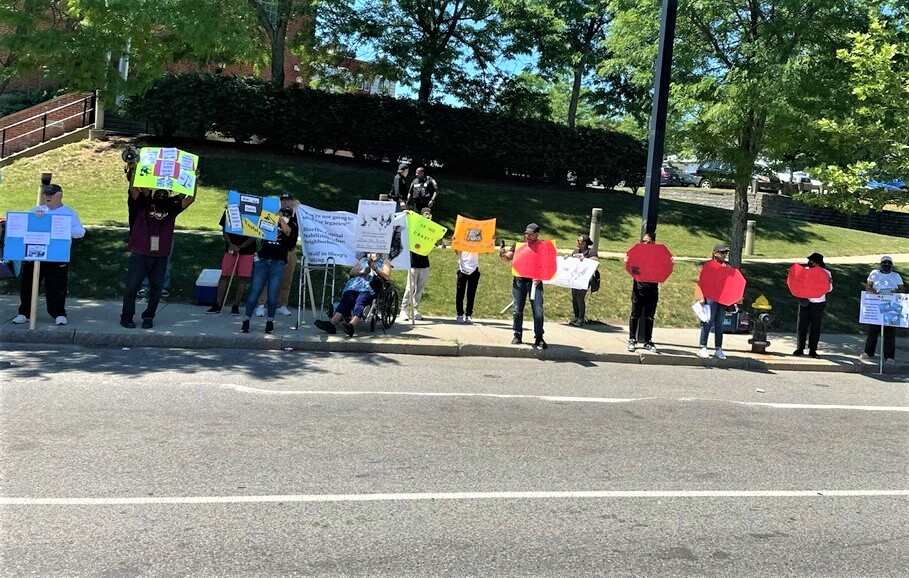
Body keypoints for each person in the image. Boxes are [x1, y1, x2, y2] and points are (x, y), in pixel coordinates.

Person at [120, 186, 194, 329]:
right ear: (153, 193)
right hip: (141, 252)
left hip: (161, 254)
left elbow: (190, 198)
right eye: (158, 192)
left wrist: (192, 181)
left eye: (164, 192)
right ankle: (126, 317)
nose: (161, 194)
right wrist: (136, 170)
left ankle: (149, 316)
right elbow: (134, 189)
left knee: (156, 288)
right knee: (132, 287)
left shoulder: (172, 207)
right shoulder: (143, 203)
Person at [12, 183, 85, 326]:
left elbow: (80, 232)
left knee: (57, 286)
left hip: (57, 255)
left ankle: (58, 313)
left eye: (51, 194)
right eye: (46, 194)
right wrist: (36, 219)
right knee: (28, 285)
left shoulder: (68, 212)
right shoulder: (36, 210)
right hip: (35, 255)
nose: (48, 197)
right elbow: (24, 228)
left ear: (60, 195)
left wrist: (63, 229)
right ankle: (24, 313)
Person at [240, 206, 298, 334]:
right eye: (282, 213)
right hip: (263, 260)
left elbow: (288, 232)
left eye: (287, 214)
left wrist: (280, 219)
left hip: (278, 262)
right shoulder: (270, 221)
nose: (284, 216)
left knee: (272, 294)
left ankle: (270, 321)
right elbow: (253, 222)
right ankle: (246, 320)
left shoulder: (293, 225)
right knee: (255, 291)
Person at [314, 253, 392, 337]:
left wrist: (375, 268)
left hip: (371, 287)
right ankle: (332, 323)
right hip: (355, 285)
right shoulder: (363, 260)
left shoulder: (385, 262)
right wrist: (361, 272)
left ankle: (352, 325)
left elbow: (387, 276)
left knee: (361, 300)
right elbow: (351, 272)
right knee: (347, 298)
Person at [500, 223, 546, 349]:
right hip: (520, 281)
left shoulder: (543, 247)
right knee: (517, 309)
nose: (528, 236)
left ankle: (539, 337)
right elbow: (508, 257)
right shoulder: (519, 246)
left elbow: (548, 264)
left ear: (537, 234)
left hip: (535, 282)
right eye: (526, 234)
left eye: (531, 234)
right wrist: (503, 254)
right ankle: (517, 334)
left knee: (538, 311)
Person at [255, 193, 299, 317]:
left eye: (288, 200)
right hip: (275, 250)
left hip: (290, 250)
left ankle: (282, 305)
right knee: (268, 279)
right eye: (283, 200)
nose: (285, 202)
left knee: (286, 280)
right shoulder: (275, 212)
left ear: (292, 201)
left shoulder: (296, 214)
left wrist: (296, 206)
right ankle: (261, 304)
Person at [207, 210, 256, 315]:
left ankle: (236, 305)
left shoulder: (253, 212)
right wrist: (231, 244)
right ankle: (218, 304)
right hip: (230, 249)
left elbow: (255, 234)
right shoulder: (229, 211)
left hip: (247, 251)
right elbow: (224, 231)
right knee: (224, 275)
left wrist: (241, 247)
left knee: (243, 278)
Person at [861, 255, 905, 364]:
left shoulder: (896, 276)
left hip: (891, 304)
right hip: (876, 303)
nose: (886, 266)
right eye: (884, 263)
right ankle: (868, 352)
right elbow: (868, 286)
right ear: (881, 264)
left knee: (889, 332)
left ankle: (889, 357)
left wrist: (895, 292)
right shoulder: (874, 273)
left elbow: (902, 288)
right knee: (873, 330)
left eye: (889, 264)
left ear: (891, 265)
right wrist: (873, 292)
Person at [696, 243, 733, 360]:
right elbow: (701, 282)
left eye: (725, 253)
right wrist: (701, 297)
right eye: (722, 253)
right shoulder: (708, 266)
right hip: (710, 296)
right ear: (715, 253)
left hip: (722, 298)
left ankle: (718, 348)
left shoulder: (727, 267)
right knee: (707, 321)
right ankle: (703, 346)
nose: (724, 255)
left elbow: (730, 283)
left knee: (720, 323)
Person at [793, 252, 833, 358]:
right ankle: (800, 348)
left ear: (817, 263)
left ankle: (812, 349)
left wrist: (829, 283)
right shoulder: (805, 271)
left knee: (815, 327)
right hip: (805, 301)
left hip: (818, 302)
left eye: (812, 261)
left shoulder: (826, 273)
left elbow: (829, 289)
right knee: (802, 325)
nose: (809, 262)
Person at [625, 232, 659, 351]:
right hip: (638, 289)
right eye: (643, 241)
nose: (645, 243)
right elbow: (632, 268)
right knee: (635, 314)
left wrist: (669, 263)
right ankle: (632, 339)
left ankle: (648, 341)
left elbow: (663, 269)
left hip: (652, 290)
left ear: (653, 243)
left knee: (650, 316)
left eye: (648, 241)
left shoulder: (657, 255)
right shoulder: (638, 254)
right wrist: (627, 262)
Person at [401, 206, 433, 321]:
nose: (428, 215)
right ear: (421, 214)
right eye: (425, 214)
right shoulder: (414, 226)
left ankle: (415, 309)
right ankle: (403, 309)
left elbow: (437, 242)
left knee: (419, 289)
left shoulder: (430, 229)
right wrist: (406, 213)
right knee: (410, 287)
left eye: (429, 214)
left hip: (424, 264)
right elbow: (407, 224)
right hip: (413, 263)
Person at [568, 234, 599, 327]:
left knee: (580, 297)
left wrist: (585, 259)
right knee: (574, 298)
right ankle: (576, 317)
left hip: (585, 279)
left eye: (579, 240)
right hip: (575, 278)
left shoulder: (591, 252)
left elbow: (595, 262)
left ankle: (581, 318)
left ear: (584, 243)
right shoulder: (575, 251)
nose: (577, 242)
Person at [455, 249, 480, 323]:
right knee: (460, 293)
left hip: (474, 269)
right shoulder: (462, 239)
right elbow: (457, 252)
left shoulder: (477, 240)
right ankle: (460, 314)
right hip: (462, 268)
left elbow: (486, 250)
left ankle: (468, 314)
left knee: (471, 294)